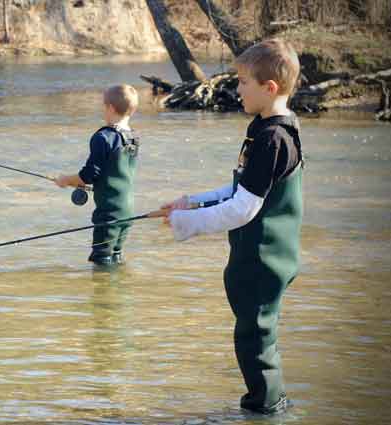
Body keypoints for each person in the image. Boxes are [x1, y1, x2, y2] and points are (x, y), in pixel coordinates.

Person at [150, 38, 303, 414]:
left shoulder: (275, 138)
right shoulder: (265, 127)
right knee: (253, 334)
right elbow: (242, 188)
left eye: (243, 83)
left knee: (255, 337)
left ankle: (266, 409)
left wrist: (188, 222)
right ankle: (266, 403)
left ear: (269, 88)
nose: (237, 90)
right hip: (258, 255)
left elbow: (242, 210)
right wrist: (192, 201)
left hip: (265, 257)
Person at [55, 84, 140, 267]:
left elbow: (88, 175)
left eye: (103, 106)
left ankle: (103, 293)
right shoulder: (133, 137)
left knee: (102, 262)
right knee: (116, 256)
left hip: (108, 214)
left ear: (109, 108)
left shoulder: (103, 138)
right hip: (127, 212)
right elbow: (115, 172)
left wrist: (65, 180)